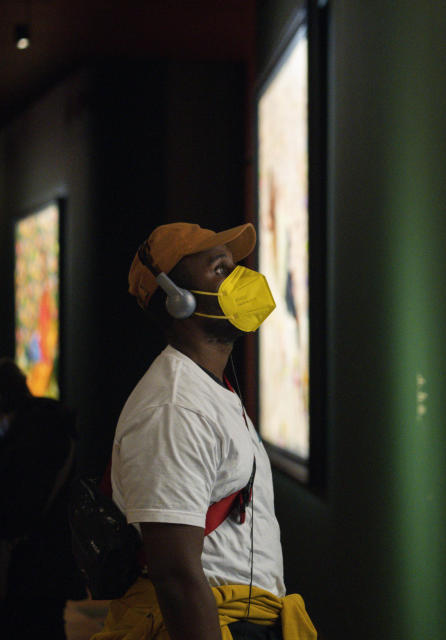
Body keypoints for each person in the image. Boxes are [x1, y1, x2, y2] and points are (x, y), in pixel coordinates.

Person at [92, 222, 316, 640]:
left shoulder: (211, 391)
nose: (240, 279)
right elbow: (175, 576)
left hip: (241, 620)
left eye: (235, 266)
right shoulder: (174, 406)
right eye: (219, 269)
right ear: (178, 301)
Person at [0, 358, 83, 639]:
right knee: (48, 621)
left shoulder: (29, 435)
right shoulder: (54, 423)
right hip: (56, 550)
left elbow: (22, 501)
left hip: (31, 557)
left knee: (28, 623)